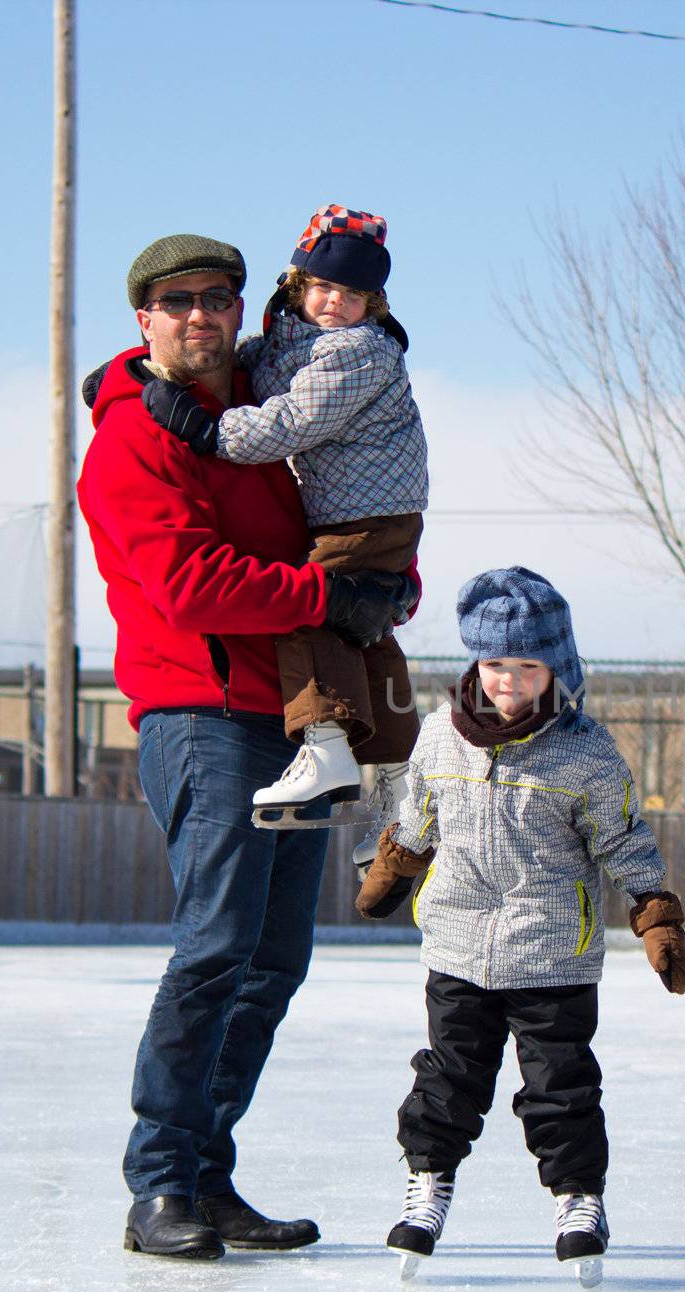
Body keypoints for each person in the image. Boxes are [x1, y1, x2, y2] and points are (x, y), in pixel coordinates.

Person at [77, 233, 416, 1261]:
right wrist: (329, 597)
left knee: (272, 961)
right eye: (175, 301)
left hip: (291, 720)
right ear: (144, 319)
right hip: (201, 716)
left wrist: (378, 586)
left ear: (242, 307)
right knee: (218, 946)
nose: (198, 316)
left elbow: (346, 365)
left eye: (216, 298)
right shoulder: (136, 437)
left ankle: (209, 1173)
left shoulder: (255, 416)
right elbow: (192, 583)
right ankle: (160, 1185)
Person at [353, 567, 685, 1285]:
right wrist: (394, 865)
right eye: (495, 663)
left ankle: (579, 1199)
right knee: (449, 1078)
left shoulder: (586, 752)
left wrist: (654, 911)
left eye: (526, 665)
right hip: (458, 945)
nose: (508, 680)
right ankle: (428, 1186)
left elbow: (624, 838)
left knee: (560, 1086)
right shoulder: (442, 736)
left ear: (557, 668)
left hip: (551, 953)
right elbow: (418, 812)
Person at [142, 205, 427, 841]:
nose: (335, 304)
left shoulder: (358, 354)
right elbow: (239, 363)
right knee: (365, 633)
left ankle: (325, 745)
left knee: (310, 611)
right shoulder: (288, 339)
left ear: (373, 305)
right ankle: (404, 783)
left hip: (368, 510)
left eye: (353, 295)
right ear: (298, 288)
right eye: (324, 288)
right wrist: (132, 371)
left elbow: (290, 422)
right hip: (353, 509)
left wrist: (206, 429)